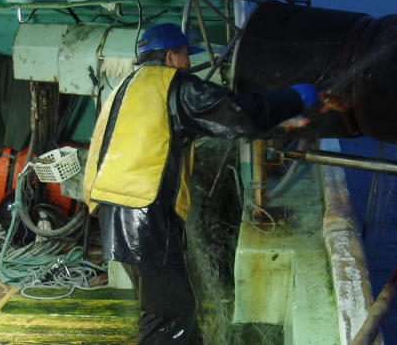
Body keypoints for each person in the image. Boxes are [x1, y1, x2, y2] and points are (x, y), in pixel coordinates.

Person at [83, 23, 316, 344]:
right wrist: (292, 99)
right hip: (144, 214)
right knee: (169, 314)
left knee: (171, 305)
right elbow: (238, 114)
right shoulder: (175, 87)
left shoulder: (124, 86)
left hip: (110, 210)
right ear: (170, 55)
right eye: (184, 56)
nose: (188, 64)